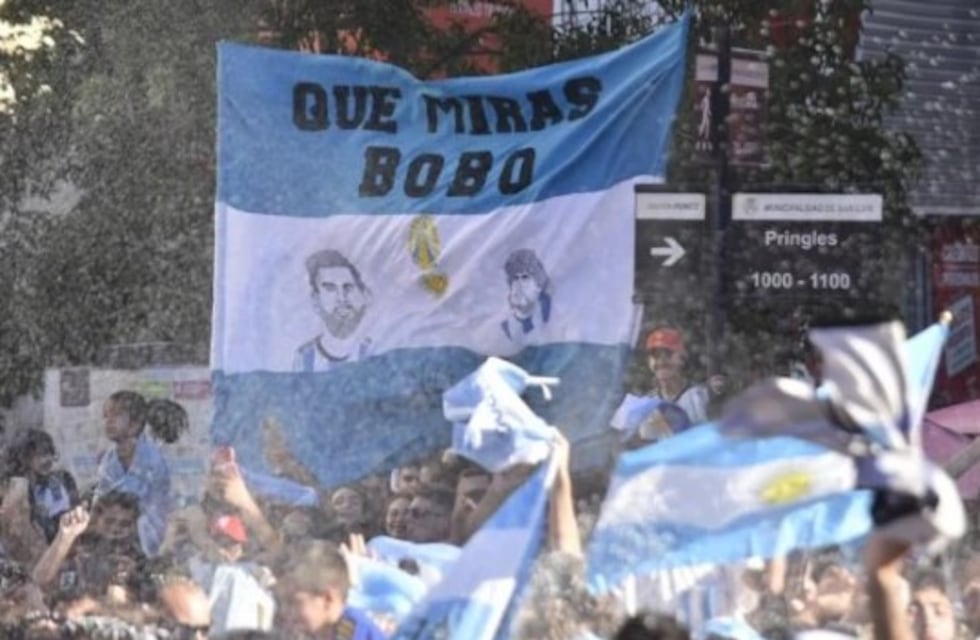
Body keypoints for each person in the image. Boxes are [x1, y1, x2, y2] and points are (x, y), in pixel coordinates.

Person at [95, 390, 172, 557]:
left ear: (135, 424)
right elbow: (101, 501)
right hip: (115, 532)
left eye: (116, 415)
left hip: (147, 536)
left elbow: (151, 512)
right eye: (106, 416)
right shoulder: (109, 460)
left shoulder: (153, 461)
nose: (109, 421)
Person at [278, 539, 386, 639]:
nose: (285, 611)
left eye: (293, 602)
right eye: (282, 602)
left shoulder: (351, 629)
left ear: (328, 599)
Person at [294, 249, 373, 372]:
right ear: (315, 301)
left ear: (366, 296)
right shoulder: (304, 358)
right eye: (330, 289)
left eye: (348, 287)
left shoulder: (374, 351)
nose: (341, 298)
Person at [3, 429, 78, 545]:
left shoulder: (61, 482)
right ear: (24, 458)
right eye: (40, 455)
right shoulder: (13, 487)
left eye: (49, 453)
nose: (47, 460)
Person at [500, 248, 552, 342]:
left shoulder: (553, 322)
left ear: (538, 285)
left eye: (525, 277)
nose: (519, 284)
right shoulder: (501, 329)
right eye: (515, 278)